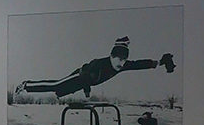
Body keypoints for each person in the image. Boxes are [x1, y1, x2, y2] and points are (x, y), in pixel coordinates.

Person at [15, 36, 175, 99]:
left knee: (61, 90)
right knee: (56, 85)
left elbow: (140, 64)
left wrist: (159, 63)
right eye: (118, 61)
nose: (120, 65)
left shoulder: (123, 65)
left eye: (123, 62)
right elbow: (85, 75)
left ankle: (28, 86)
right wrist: (87, 91)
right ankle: (26, 85)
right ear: (111, 57)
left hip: (85, 82)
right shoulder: (99, 63)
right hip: (80, 75)